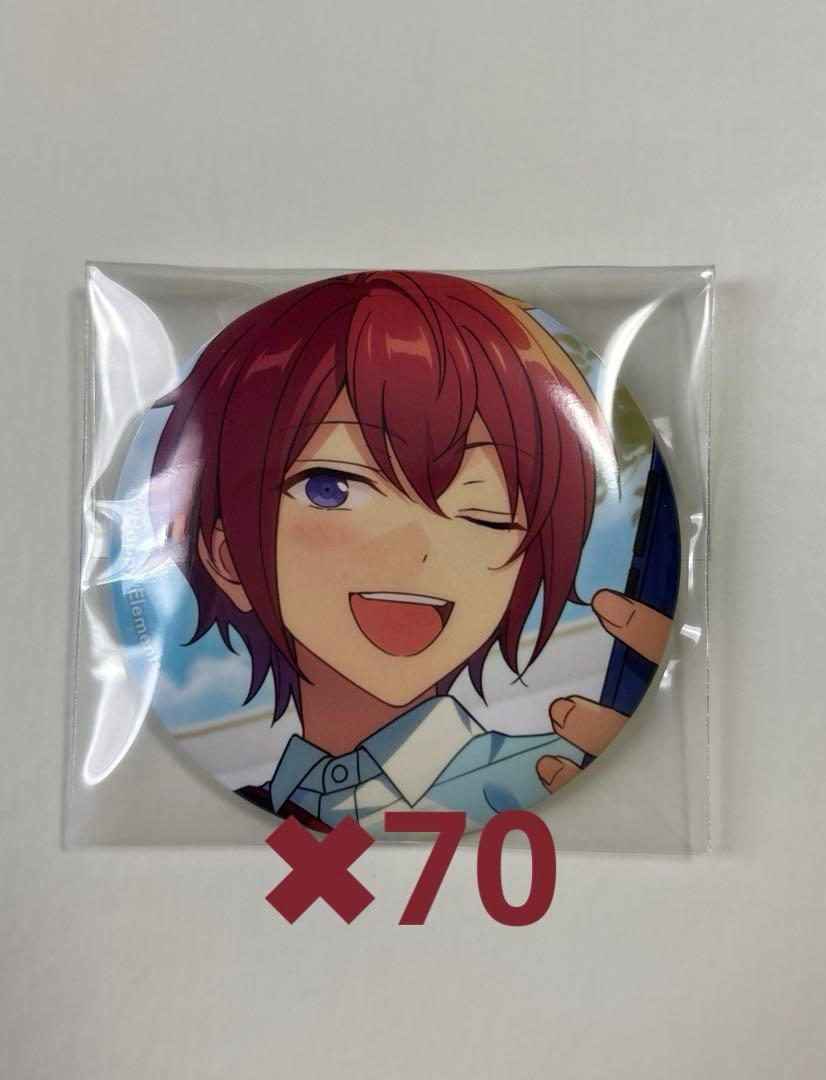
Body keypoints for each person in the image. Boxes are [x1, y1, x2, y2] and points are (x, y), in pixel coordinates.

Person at [150, 271, 670, 832]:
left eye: (486, 512)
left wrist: (653, 754)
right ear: (225, 556)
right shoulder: (239, 806)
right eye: (332, 489)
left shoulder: (545, 775)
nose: (416, 553)